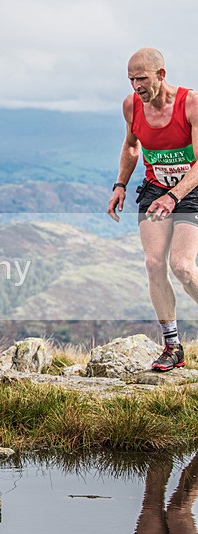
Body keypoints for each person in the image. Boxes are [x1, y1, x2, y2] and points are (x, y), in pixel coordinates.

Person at [108, 47, 198, 372]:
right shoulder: (131, 106)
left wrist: (174, 196)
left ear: (161, 74)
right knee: (153, 262)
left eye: (142, 79)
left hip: (190, 190)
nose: (136, 86)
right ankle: (173, 346)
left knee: (184, 267)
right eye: (131, 79)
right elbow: (132, 145)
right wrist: (120, 185)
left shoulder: (191, 103)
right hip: (154, 189)